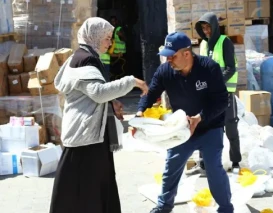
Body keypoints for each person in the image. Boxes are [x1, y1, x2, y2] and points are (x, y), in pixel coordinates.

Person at [49, 17, 148, 213]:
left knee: (93, 185)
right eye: (107, 38)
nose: (110, 43)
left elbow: (93, 94)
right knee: (83, 188)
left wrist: (112, 103)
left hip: (91, 134)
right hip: (86, 136)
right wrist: (131, 82)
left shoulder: (84, 56)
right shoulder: (85, 59)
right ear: (94, 37)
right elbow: (98, 92)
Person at [136, 32, 234, 213]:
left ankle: (226, 208)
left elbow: (222, 101)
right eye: (166, 56)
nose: (168, 60)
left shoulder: (209, 68)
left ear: (186, 54)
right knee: (171, 168)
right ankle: (163, 207)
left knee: (213, 168)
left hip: (210, 126)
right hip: (182, 129)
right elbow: (150, 94)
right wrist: (140, 113)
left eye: (171, 56)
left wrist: (200, 117)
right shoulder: (166, 71)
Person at [190, 12, 241, 175]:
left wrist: (216, 83)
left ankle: (235, 162)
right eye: (203, 28)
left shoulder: (224, 42)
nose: (206, 31)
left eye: (208, 27)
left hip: (225, 94)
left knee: (230, 127)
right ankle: (203, 163)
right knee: (202, 126)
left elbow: (230, 68)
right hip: (208, 95)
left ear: (215, 27)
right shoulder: (203, 45)